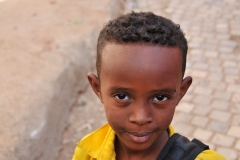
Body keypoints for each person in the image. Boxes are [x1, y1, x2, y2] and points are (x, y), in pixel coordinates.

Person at [72, 12, 226, 160]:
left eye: (160, 97)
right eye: (122, 96)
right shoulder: (88, 151)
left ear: (181, 91)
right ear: (97, 88)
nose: (141, 118)